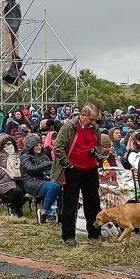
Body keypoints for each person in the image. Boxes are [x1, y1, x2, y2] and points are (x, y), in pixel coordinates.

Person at [51, 104, 103, 245]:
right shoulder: (69, 127)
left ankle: (94, 232)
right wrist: (69, 166)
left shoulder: (95, 128)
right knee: (70, 204)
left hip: (90, 169)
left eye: (95, 119)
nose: (93, 122)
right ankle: (68, 235)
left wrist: (96, 152)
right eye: (91, 119)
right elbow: (58, 148)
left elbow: (98, 144)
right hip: (73, 170)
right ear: (82, 115)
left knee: (93, 202)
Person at [20, 134, 61, 224]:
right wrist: (45, 165)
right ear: (31, 146)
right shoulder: (25, 157)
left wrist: (49, 173)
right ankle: (44, 212)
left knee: (61, 185)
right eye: (36, 145)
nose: (39, 147)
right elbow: (30, 170)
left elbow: (51, 170)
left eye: (40, 145)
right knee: (53, 187)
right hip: (31, 182)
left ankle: (61, 214)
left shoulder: (44, 157)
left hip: (44, 180)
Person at [0, 136, 25, 217]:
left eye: (11, 143)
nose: (10, 145)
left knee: (25, 190)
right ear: (2, 144)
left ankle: (17, 208)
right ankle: (14, 209)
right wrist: (3, 174)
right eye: (7, 144)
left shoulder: (17, 154)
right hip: (4, 180)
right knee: (16, 191)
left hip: (18, 178)